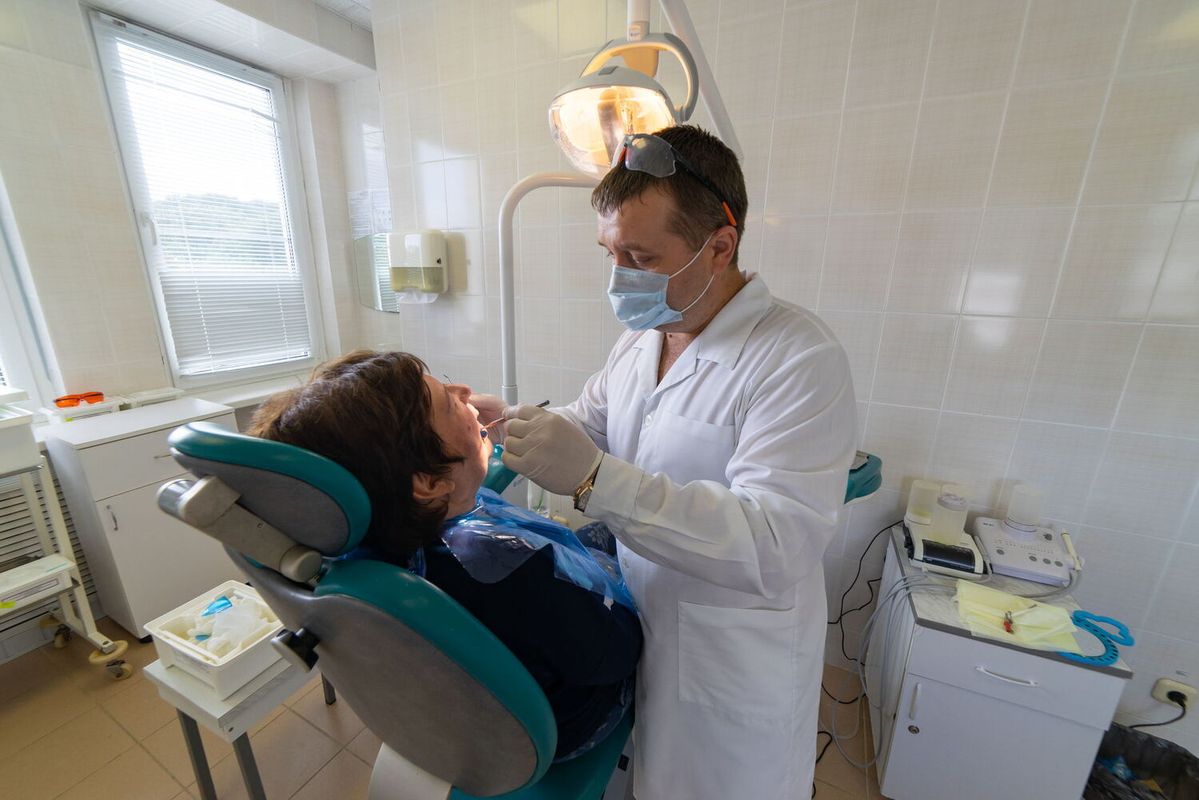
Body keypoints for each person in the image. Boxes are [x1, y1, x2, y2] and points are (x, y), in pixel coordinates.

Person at [473, 125, 857, 799]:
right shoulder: (642, 339)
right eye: (610, 253)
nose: (619, 277)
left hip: (730, 659)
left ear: (720, 246)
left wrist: (594, 480)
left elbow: (774, 543)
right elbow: (589, 421)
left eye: (641, 257)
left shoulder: (798, 358)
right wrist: (509, 423)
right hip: (641, 618)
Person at [247, 350, 641, 761]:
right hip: (570, 721)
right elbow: (617, 653)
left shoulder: (380, 538)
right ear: (429, 483)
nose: (465, 391)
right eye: (448, 402)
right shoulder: (505, 567)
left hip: (478, 716)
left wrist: (478, 450)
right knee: (621, 543)